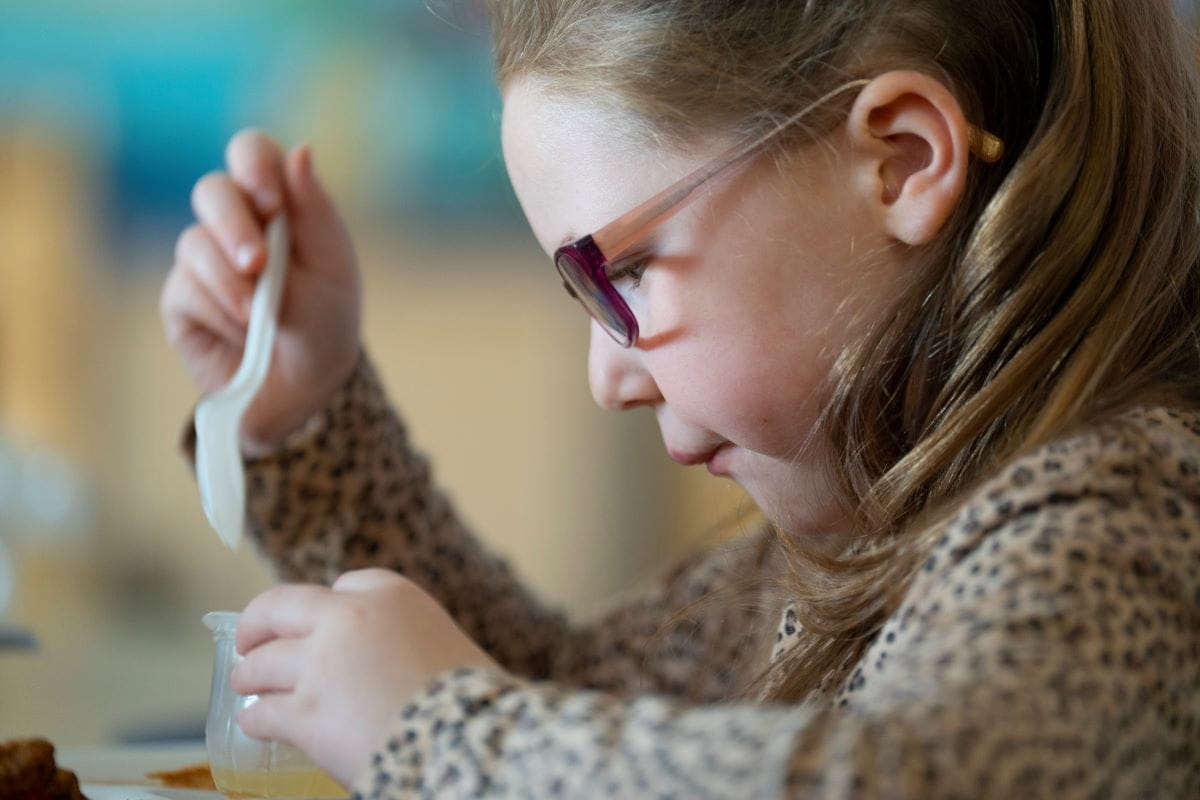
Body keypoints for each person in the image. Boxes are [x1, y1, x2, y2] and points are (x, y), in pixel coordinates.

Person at [159, 0, 1200, 796]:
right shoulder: (847, 533)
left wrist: (433, 733)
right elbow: (569, 704)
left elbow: (909, 779)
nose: (606, 377)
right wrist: (310, 408)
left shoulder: (1124, 515)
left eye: (628, 272)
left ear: (900, 160)